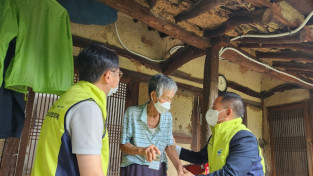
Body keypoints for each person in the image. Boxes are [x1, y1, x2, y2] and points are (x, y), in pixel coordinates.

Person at [32, 44, 122, 176]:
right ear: (108, 76)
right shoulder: (88, 108)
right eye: (118, 74)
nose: (119, 78)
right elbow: (91, 172)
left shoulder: (68, 98)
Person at [178, 92, 265, 176]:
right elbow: (199, 158)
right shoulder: (217, 136)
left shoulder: (244, 138)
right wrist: (174, 148)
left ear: (228, 112)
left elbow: (231, 174)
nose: (210, 111)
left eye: (214, 108)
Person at [119, 74, 184, 176]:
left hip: (158, 167)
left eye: (171, 99)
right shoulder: (132, 113)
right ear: (153, 95)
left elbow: (170, 147)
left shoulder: (168, 117)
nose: (169, 103)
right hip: (135, 166)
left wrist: (180, 167)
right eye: (166, 98)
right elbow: (123, 145)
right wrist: (142, 150)